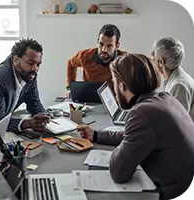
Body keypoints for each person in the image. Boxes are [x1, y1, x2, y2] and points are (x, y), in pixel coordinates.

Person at [77, 53, 194, 200]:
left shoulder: (143, 113)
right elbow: (135, 135)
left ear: (122, 84)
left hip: (172, 192)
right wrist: (96, 135)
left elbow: (119, 172)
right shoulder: (164, 98)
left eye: (114, 82)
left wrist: (122, 150)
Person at [65, 24, 126, 97]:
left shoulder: (124, 59)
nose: (104, 49)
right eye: (101, 44)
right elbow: (71, 64)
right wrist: (70, 87)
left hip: (112, 99)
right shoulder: (85, 56)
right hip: (87, 96)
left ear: (117, 46)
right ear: (97, 41)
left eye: (109, 46)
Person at [152, 37, 194, 121]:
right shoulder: (173, 79)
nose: (151, 58)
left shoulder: (179, 85)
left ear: (161, 62)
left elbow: (177, 122)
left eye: (153, 54)